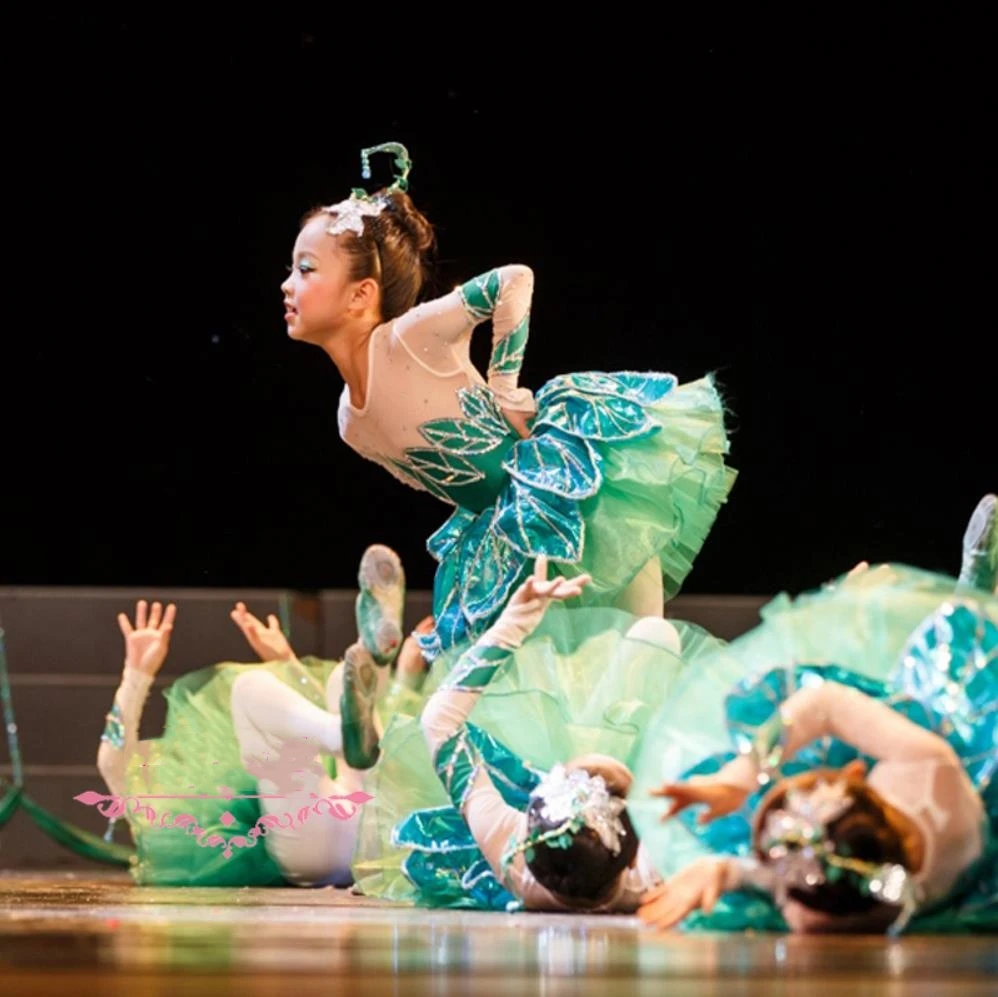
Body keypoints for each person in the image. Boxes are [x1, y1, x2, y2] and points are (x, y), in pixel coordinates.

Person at [281, 141, 736, 661]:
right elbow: (445, 478)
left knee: (641, 651)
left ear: (361, 294)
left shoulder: (407, 339)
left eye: (306, 268)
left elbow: (513, 279)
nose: (288, 284)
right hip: (506, 535)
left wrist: (504, 388)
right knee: (557, 680)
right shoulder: (349, 423)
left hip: (572, 490)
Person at [629, 496, 998, 934]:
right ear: (855, 774)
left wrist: (727, 856)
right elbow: (825, 703)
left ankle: (961, 601)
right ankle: (973, 598)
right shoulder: (930, 767)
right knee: (952, 674)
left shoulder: (851, 883)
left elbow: (788, 874)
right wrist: (746, 773)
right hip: (978, 756)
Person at [348, 555, 724, 911]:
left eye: (564, 774)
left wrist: (513, 623)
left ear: (527, 828)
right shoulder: (657, 868)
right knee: (656, 636)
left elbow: (438, 722)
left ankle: (401, 681)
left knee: (652, 637)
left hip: (531, 791)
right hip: (666, 796)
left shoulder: (508, 847)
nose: (564, 766)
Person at [91, 545, 414, 886]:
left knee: (332, 682)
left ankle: (368, 665)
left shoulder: (180, 794)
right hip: (374, 834)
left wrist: (286, 662)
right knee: (258, 688)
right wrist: (136, 673)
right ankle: (374, 662)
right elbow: (111, 765)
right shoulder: (164, 810)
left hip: (334, 833)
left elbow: (111, 763)